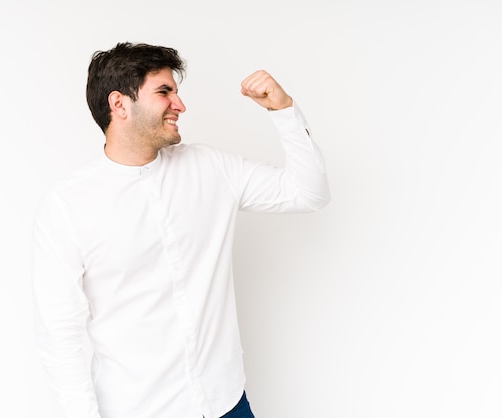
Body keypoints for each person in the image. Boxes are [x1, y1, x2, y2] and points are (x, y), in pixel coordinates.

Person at [32, 41, 330, 418]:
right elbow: (59, 335)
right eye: (164, 92)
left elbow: (309, 193)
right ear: (119, 104)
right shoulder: (67, 206)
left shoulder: (211, 168)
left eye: (176, 91)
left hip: (227, 402)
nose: (180, 104)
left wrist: (284, 111)